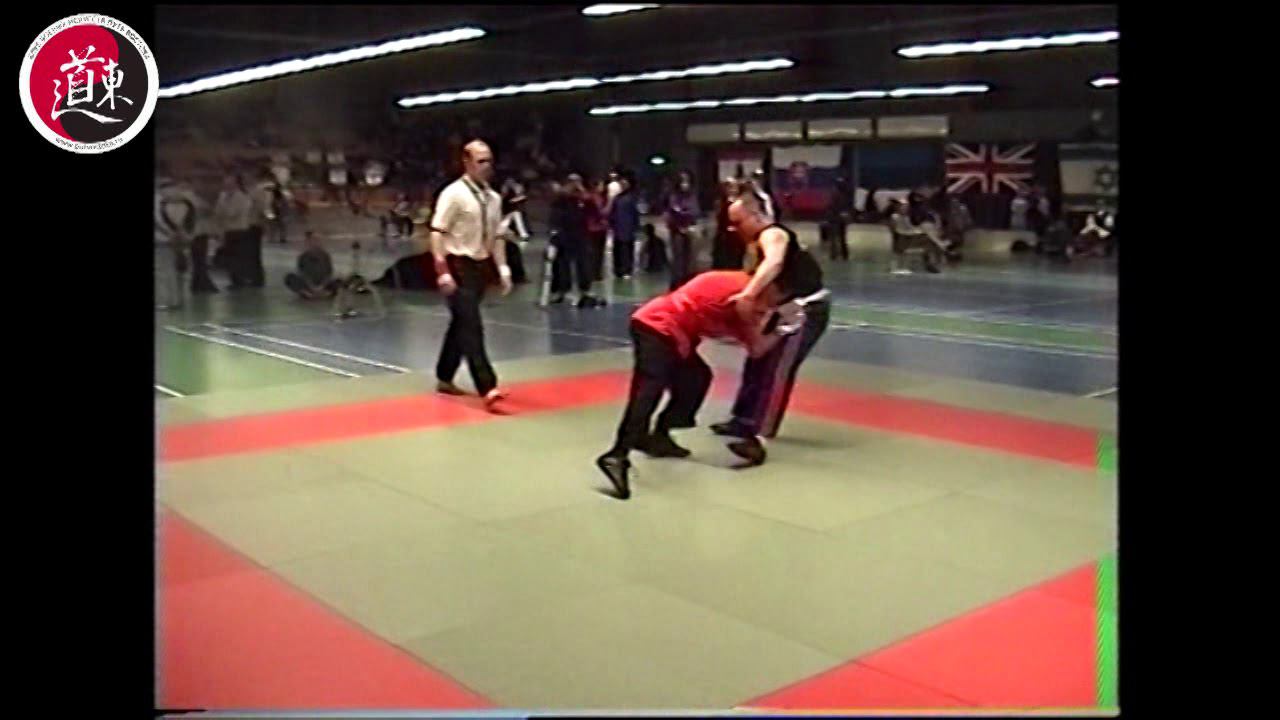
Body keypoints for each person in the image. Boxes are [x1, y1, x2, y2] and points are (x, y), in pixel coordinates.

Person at [595, 270, 798, 499]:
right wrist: (768, 315)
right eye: (778, 294)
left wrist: (782, 329)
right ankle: (617, 454)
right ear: (769, 283)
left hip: (680, 338)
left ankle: (659, 435)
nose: (773, 303)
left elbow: (756, 349)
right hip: (656, 324)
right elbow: (744, 307)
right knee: (650, 387)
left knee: (696, 379)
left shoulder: (753, 304)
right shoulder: (735, 284)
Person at [710, 193, 832, 460]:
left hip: (805, 310)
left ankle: (759, 436)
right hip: (781, 308)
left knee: (778, 369)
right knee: (757, 359)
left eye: (738, 222)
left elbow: (774, 263)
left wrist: (748, 295)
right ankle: (743, 418)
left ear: (756, 217)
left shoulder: (773, 234)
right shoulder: (753, 246)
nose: (733, 229)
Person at [430, 139, 513, 411]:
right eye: (480, 161)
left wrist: (503, 268)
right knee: (472, 326)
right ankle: (488, 386)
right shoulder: (453, 194)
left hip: (480, 265)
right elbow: (437, 232)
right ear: (466, 162)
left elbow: (497, 236)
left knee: (461, 323)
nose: (486, 166)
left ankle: (444, 375)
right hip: (458, 264)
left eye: (489, 161)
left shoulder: (494, 199)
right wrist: (442, 270)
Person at [549, 174, 602, 307]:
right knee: (562, 264)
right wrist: (554, 231)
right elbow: (555, 214)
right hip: (564, 234)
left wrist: (582, 193)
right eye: (571, 182)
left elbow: (595, 211)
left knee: (583, 263)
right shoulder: (561, 198)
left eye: (577, 182)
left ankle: (585, 290)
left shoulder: (584, 198)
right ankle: (562, 290)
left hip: (581, 234)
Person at [214, 174, 265, 288]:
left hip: (240, 230)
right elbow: (217, 212)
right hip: (228, 230)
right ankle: (235, 280)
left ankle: (247, 279)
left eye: (230, 183)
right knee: (230, 257)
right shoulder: (222, 196)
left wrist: (223, 209)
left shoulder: (241, 197)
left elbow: (232, 213)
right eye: (226, 183)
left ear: (236, 184)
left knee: (240, 256)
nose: (227, 185)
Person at [665, 171, 701, 290]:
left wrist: (684, 214)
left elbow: (694, 212)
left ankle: (687, 282)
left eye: (687, 182)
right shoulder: (674, 196)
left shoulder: (692, 196)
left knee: (690, 259)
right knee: (678, 258)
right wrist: (681, 219)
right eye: (682, 182)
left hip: (690, 229)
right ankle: (676, 284)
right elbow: (673, 212)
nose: (685, 184)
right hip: (677, 230)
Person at [285, 231, 341, 299]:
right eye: (312, 240)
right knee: (289, 278)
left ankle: (322, 293)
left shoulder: (325, 256)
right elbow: (302, 274)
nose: (315, 242)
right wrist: (312, 287)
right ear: (308, 242)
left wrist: (322, 286)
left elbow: (329, 273)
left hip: (323, 285)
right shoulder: (303, 257)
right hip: (308, 286)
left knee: (339, 280)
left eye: (317, 240)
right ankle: (307, 293)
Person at [608, 170, 641, 279]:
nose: (623, 186)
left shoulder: (632, 198)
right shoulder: (616, 198)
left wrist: (636, 226)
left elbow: (635, 213)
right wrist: (611, 224)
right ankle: (618, 270)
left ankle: (627, 270)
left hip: (628, 228)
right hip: (618, 227)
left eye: (625, 184)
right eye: (621, 184)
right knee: (617, 249)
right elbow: (612, 213)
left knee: (627, 250)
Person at [711, 179, 745, 270]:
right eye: (729, 187)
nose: (732, 190)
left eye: (734, 187)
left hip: (738, 237)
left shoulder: (740, 202)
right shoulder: (721, 202)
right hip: (724, 237)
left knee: (736, 261)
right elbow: (720, 219)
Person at [585, 179, 609, 281]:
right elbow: (602, 212)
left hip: (593, 227)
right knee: (596, 252)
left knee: (595, 252)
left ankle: (594, 272)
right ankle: (595, 273)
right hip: (597, 228)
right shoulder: (595, 198)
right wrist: (611, 202)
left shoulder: (590, 196)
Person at [825, 176, 853, 261]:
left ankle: (834, 255)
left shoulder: (834, 195)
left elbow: (830, 207)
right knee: (842, 237)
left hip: (834, 219)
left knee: (834, 238)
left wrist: (829, 217)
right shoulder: (846, 196)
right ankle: (844, 254)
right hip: (841, 219)